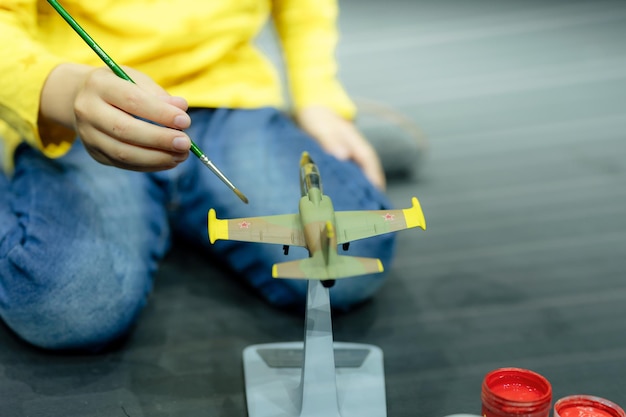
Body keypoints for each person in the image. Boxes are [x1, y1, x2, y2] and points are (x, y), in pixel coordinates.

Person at [0, 0, 396, 351]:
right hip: (85, 113)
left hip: (229, 97)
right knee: (65, 308)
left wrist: (319, 99)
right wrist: (61, 93)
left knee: (342, 264)